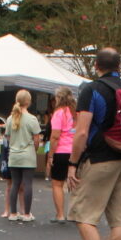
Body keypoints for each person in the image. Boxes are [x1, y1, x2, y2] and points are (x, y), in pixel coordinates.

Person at [67, 48, 121, 240]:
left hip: (99, 160)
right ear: (119, 66)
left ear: (96, 66)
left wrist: (73, 163)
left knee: (84, 217)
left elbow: (81, 132)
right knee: (118, 221)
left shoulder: (92, 89)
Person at [6, 89, 42, 222]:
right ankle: (27, 214)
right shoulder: (32, 119)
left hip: (14, 154)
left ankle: (13, 213)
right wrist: (35, 149)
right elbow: (37, 139)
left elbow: (8, 137)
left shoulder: (10, 118)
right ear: (29, 102)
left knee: (15, 184)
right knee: (27, 184)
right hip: (28, 154)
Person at [46, 86, 76, 224]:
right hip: (76, 150)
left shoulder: (59, 113)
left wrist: (51, 155)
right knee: (75, 182)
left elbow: (55, 136)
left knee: (57, 184)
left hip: (61, 151)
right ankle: (75, 213)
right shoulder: (76, 113)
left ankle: (60, 214)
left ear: (58, 98)